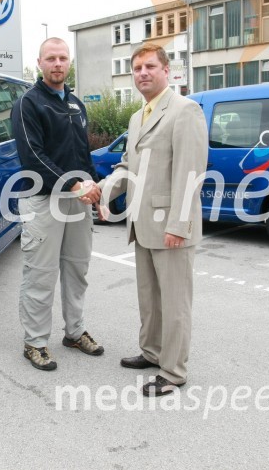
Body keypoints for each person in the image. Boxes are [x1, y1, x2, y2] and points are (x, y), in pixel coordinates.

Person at [98, 43, 207, 396]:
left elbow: (191, 173)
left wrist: (179, 224)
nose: (142, 73)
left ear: (166, 71)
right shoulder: (137, 116)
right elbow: (129, 169)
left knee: (174, 304)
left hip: (170, 228)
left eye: (149, 66)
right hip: (142, 226)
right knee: (150, 299)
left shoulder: (184, 110)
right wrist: (99, 190)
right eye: (136, 68)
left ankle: (173, 373)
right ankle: (152, 352)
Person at [10, 37, 104, 371]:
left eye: (63, 58)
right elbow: (34, 157)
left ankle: (75, 332)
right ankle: (34, 342)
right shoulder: (28, 104)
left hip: (78, 200)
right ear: (40, 63)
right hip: (43, 200)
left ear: (69, 62)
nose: (58, 64)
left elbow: (82, 153)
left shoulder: (77, 104)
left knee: (76, 270)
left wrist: (94, 188)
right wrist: (76, 184)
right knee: (40, 274)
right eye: (51, 58)